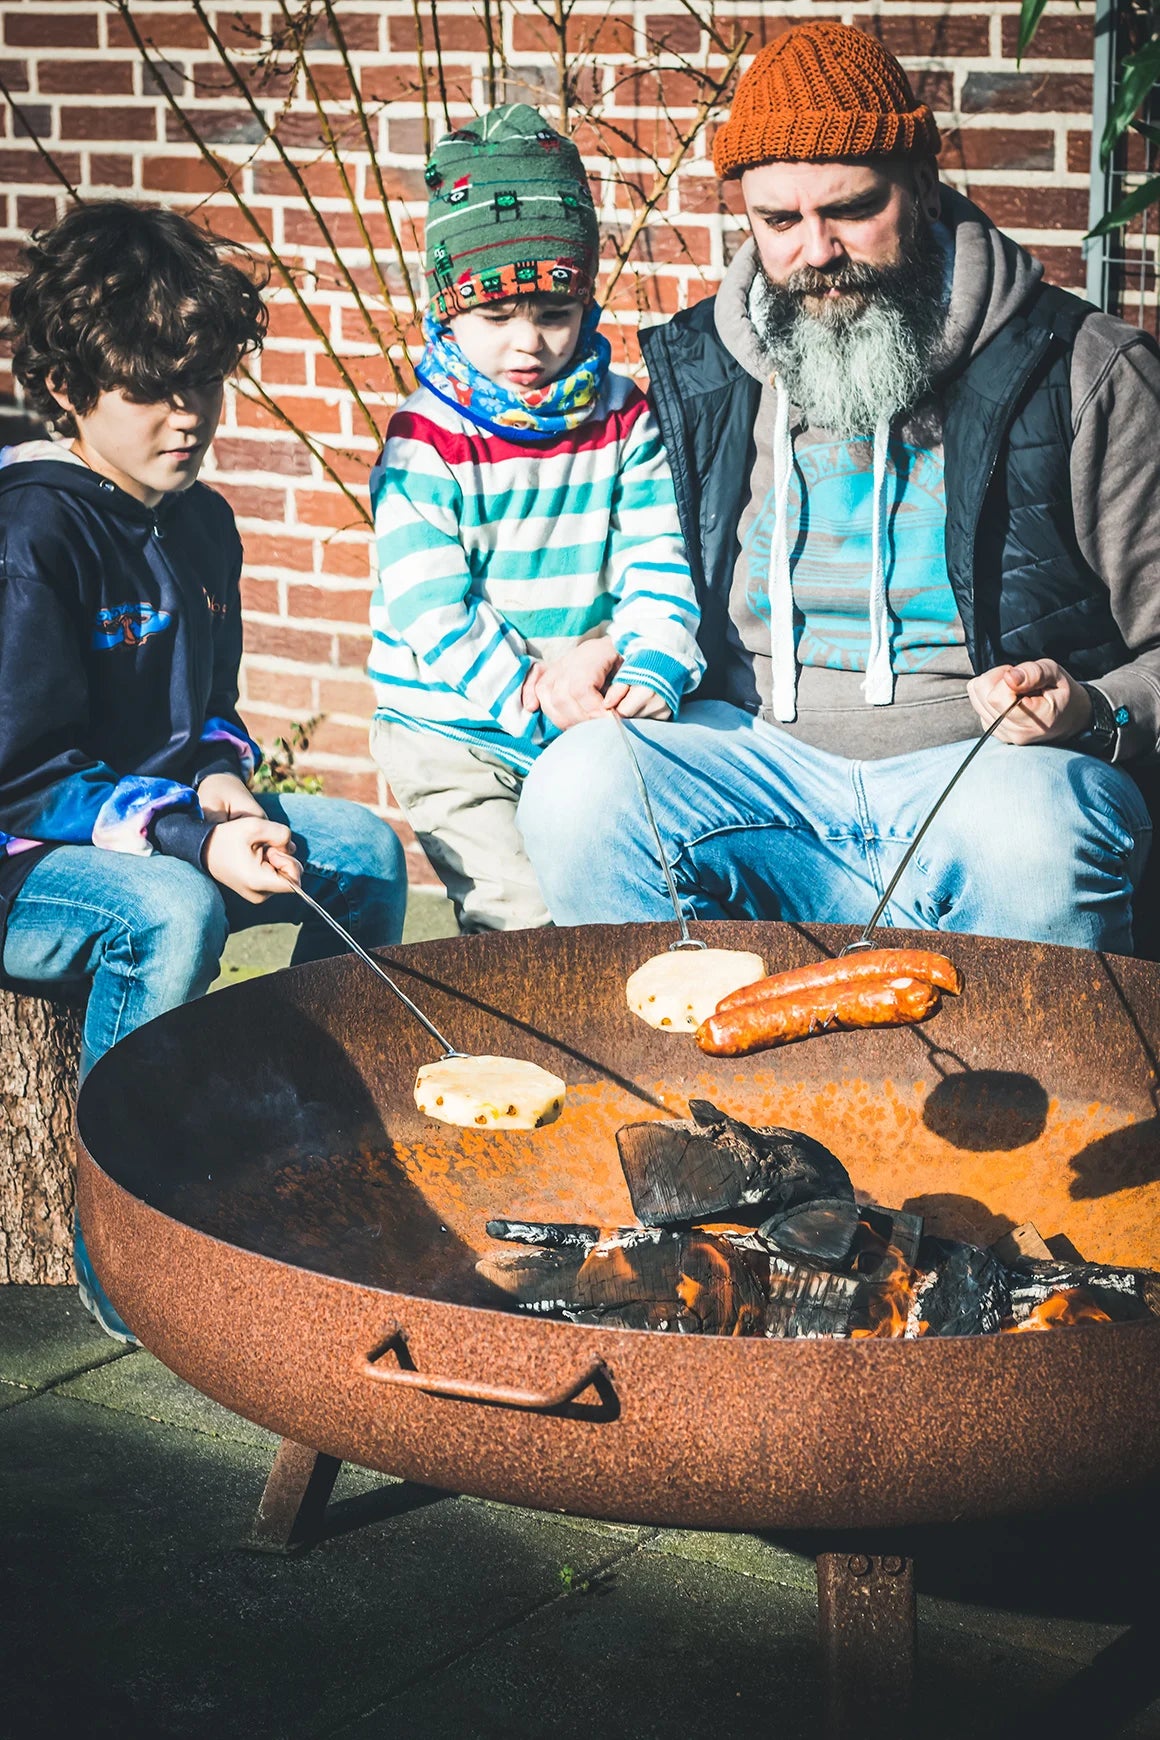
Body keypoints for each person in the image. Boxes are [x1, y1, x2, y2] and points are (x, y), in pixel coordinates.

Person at [517, 21, 1159, 954]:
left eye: (851, 209)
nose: (815, 252)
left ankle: (1019, 1100)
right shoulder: (703, 370)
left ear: (923, 186)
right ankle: (685, 1094)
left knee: (1039, 833)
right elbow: (657, 580)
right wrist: (599, 650)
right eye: (779, 222)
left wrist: (1094, 710)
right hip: (752, 770)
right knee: (580, 787)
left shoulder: (1085, 370)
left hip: (986, 781)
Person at [0, 202, 408, 1340]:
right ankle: (118, 1242)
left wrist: (227, 785)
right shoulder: (30, 535)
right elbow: (20, 779)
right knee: (173, 911)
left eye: (204, 384)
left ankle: (309, 1144)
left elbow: (207, 720)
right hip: (27, 865)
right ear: (69, 387)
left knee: (365, 856)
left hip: (164, 828)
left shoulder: (202, 522)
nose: (186, 418)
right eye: (148, 388)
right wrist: (189, 833)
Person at [367, 103, 704, 933]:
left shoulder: (622, 417)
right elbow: (430, 606)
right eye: (496, 317)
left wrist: (653, 662)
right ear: (448, 310)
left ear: (584, 306)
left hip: (585, 710)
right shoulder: (426, 441)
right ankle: (503, 1058)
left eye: (553, 314)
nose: (528, 344)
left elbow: (659, 554)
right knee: (517, 916)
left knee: (618, 905)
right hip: (453, 726)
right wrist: (526, 694)